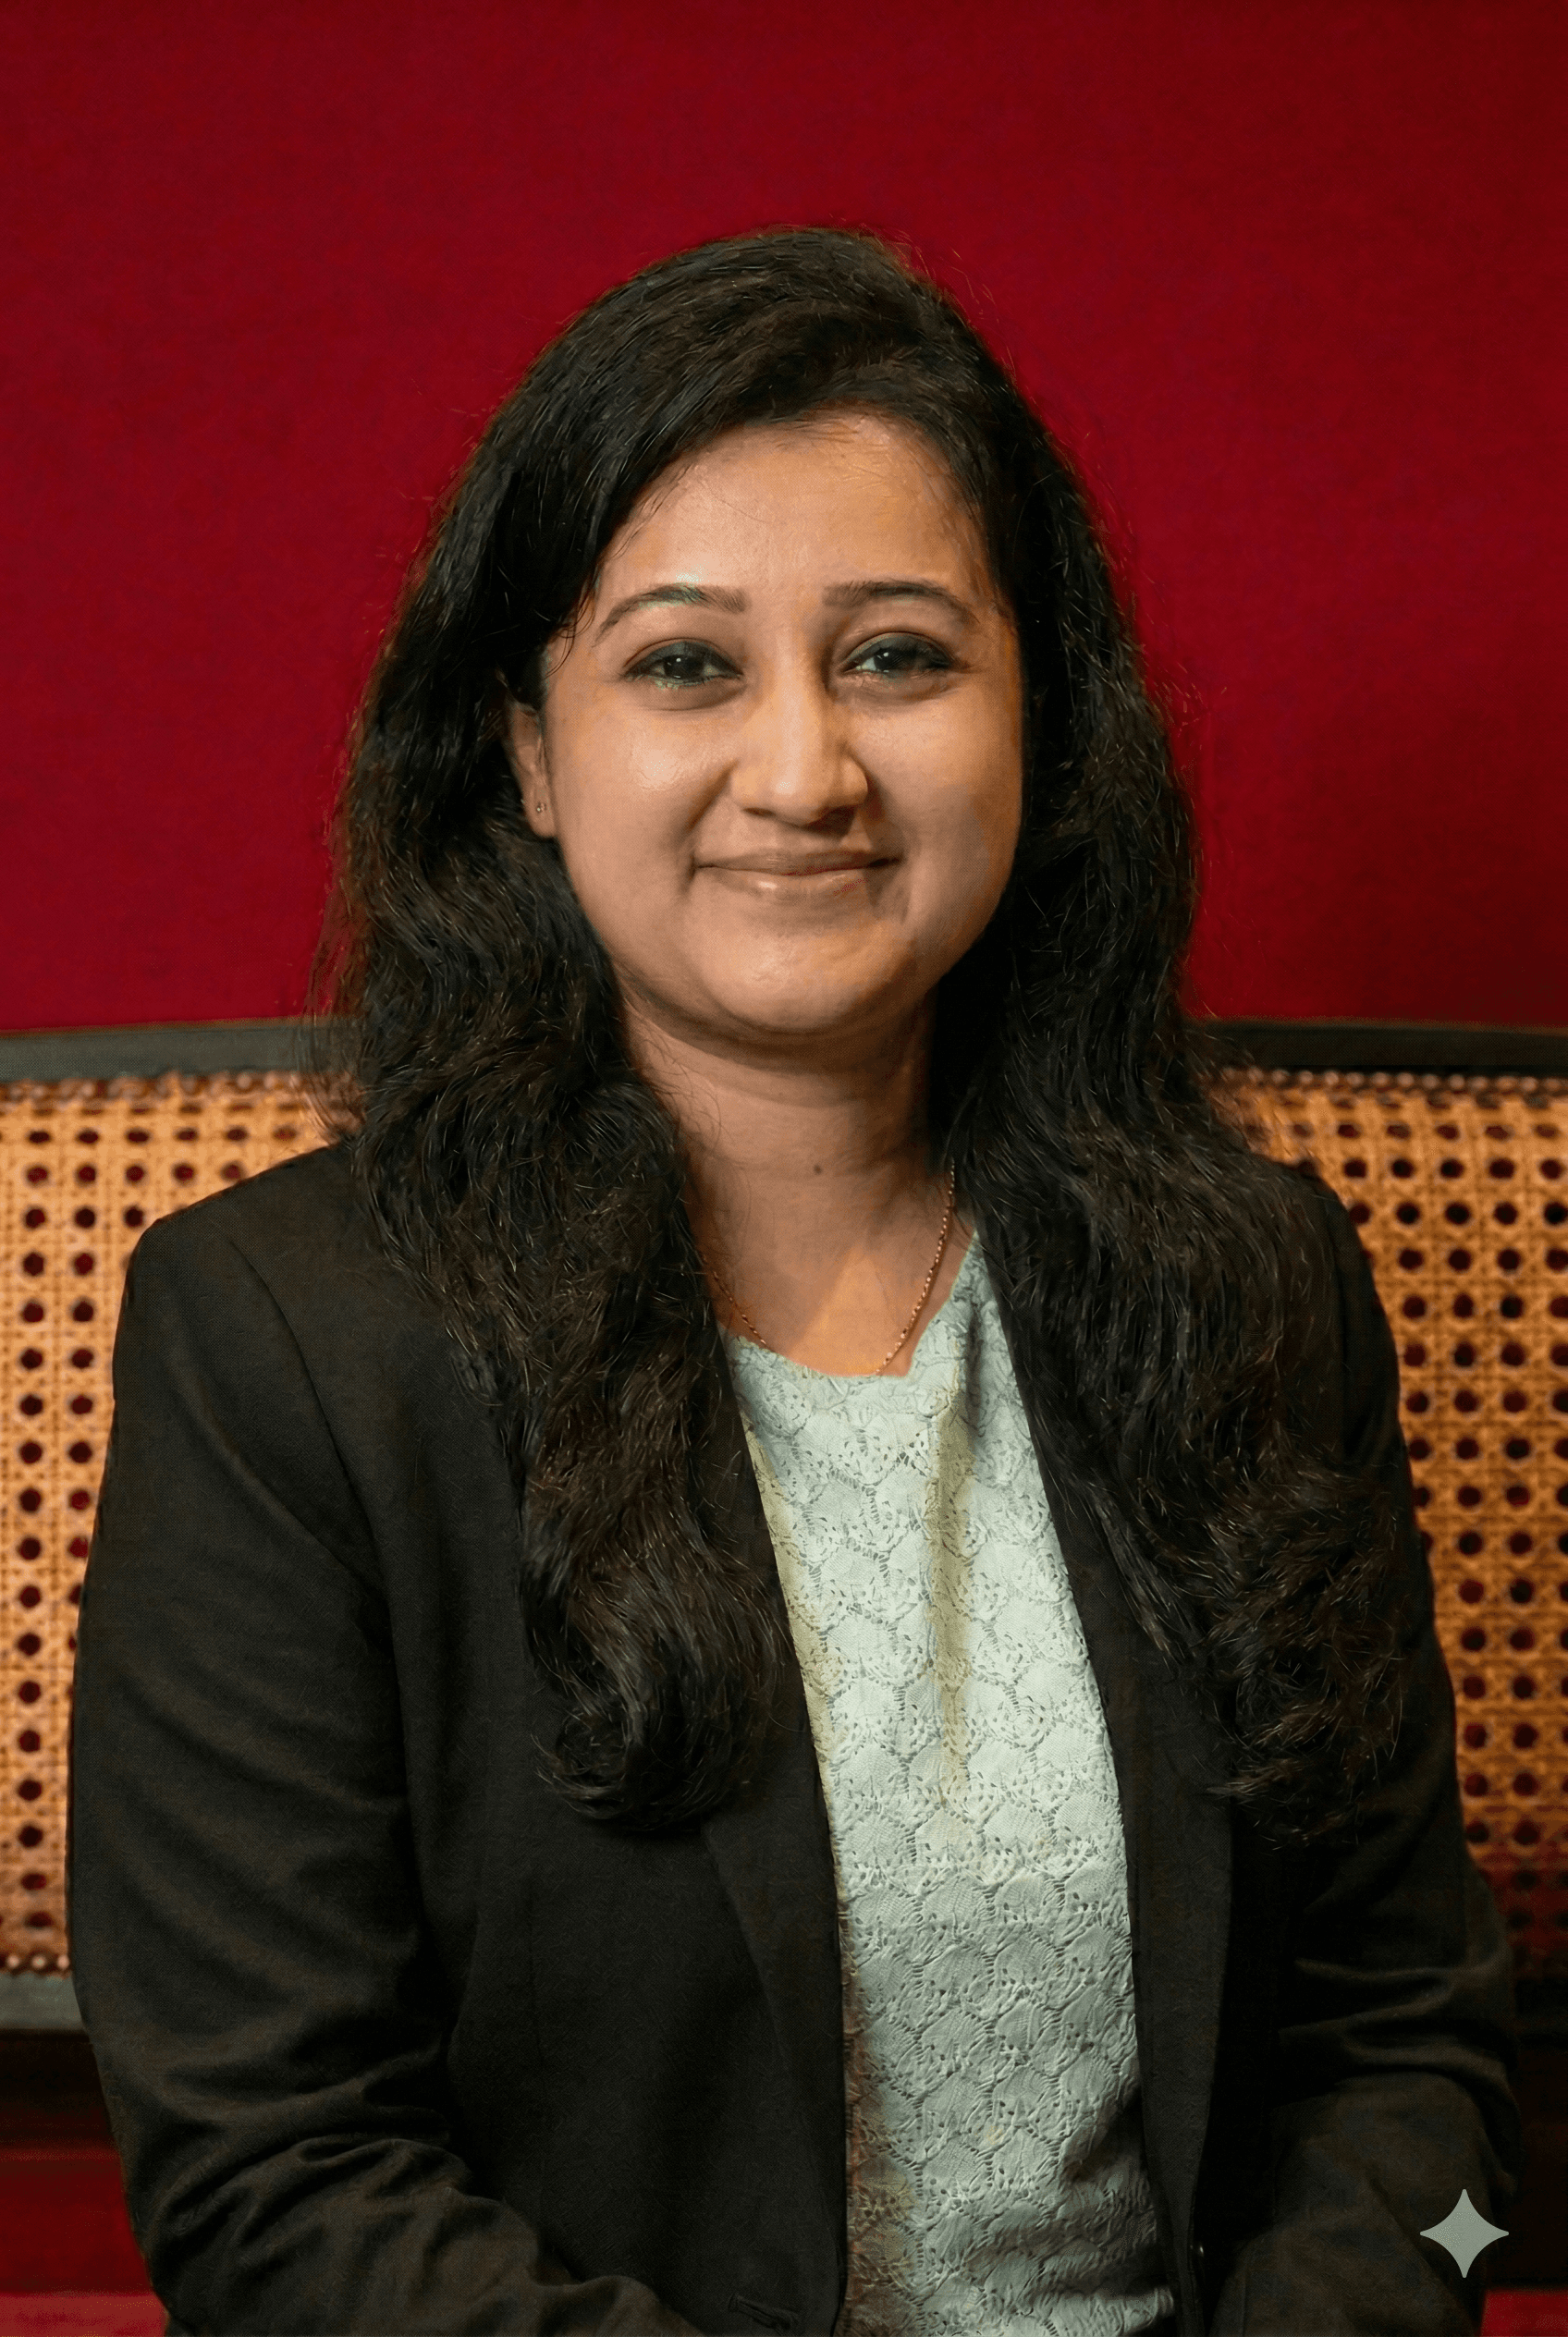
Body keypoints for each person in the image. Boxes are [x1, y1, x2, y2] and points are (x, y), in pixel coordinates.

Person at [69, 228, 1521, 2337]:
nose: (804, 771)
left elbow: (1418, 2065)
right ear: (530, 753)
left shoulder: (1251, 1289)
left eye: (897, 656)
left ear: (1041, 722)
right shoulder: (284, 1342)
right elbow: (267, 2185)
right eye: (684, 665)